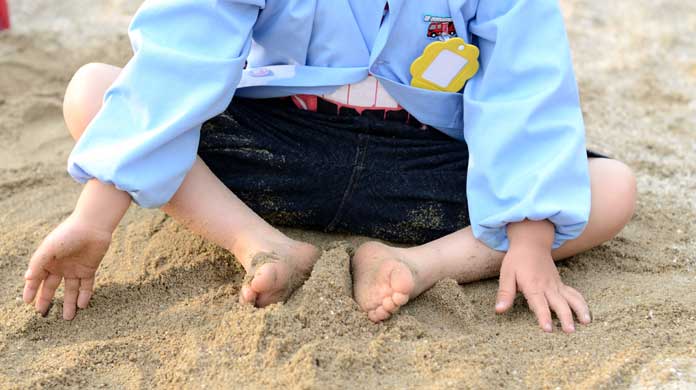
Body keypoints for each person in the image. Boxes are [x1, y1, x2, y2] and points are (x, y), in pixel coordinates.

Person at [22, 0, 636, 333]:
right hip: (276, 145)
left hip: (420, 159)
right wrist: (96, 212)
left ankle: (417, 264)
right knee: (93, 89)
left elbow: (523, 85)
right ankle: (262, 245)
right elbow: (184, 51)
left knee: (610, 188)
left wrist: (528, 239)